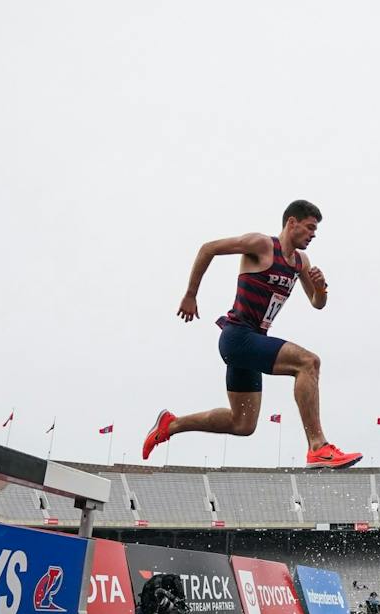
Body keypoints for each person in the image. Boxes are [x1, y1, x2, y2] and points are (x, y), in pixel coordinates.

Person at [141, 200, 362, 469]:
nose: (313, 234)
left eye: (315, 230)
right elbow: (208, 248)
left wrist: (320, 289)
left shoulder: (300, 262)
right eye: (309, 228)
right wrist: (190, 294)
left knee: (242, 424)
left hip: (249, 344)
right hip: (237, 337)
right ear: (292, 223)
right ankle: (318, 446)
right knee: (308, 362)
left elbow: (317, 303)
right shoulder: (262, 245)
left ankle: (171, 424)